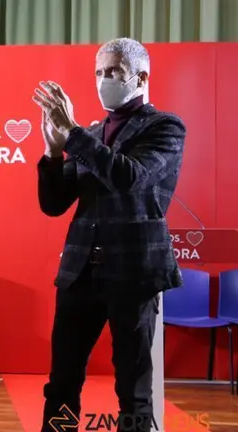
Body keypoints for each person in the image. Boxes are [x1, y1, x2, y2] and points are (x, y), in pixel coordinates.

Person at [32, 38, 185, 432]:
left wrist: (72, 133)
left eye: (114, 71)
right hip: (80, 272)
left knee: (133, 388)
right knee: (62, 382)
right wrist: (53, 154)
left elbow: (128, 177)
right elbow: (54, 204)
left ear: (141, 77)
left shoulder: (165, 127)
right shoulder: (92, 133)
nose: (104, 80)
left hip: (133, 274)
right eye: (99, 72)